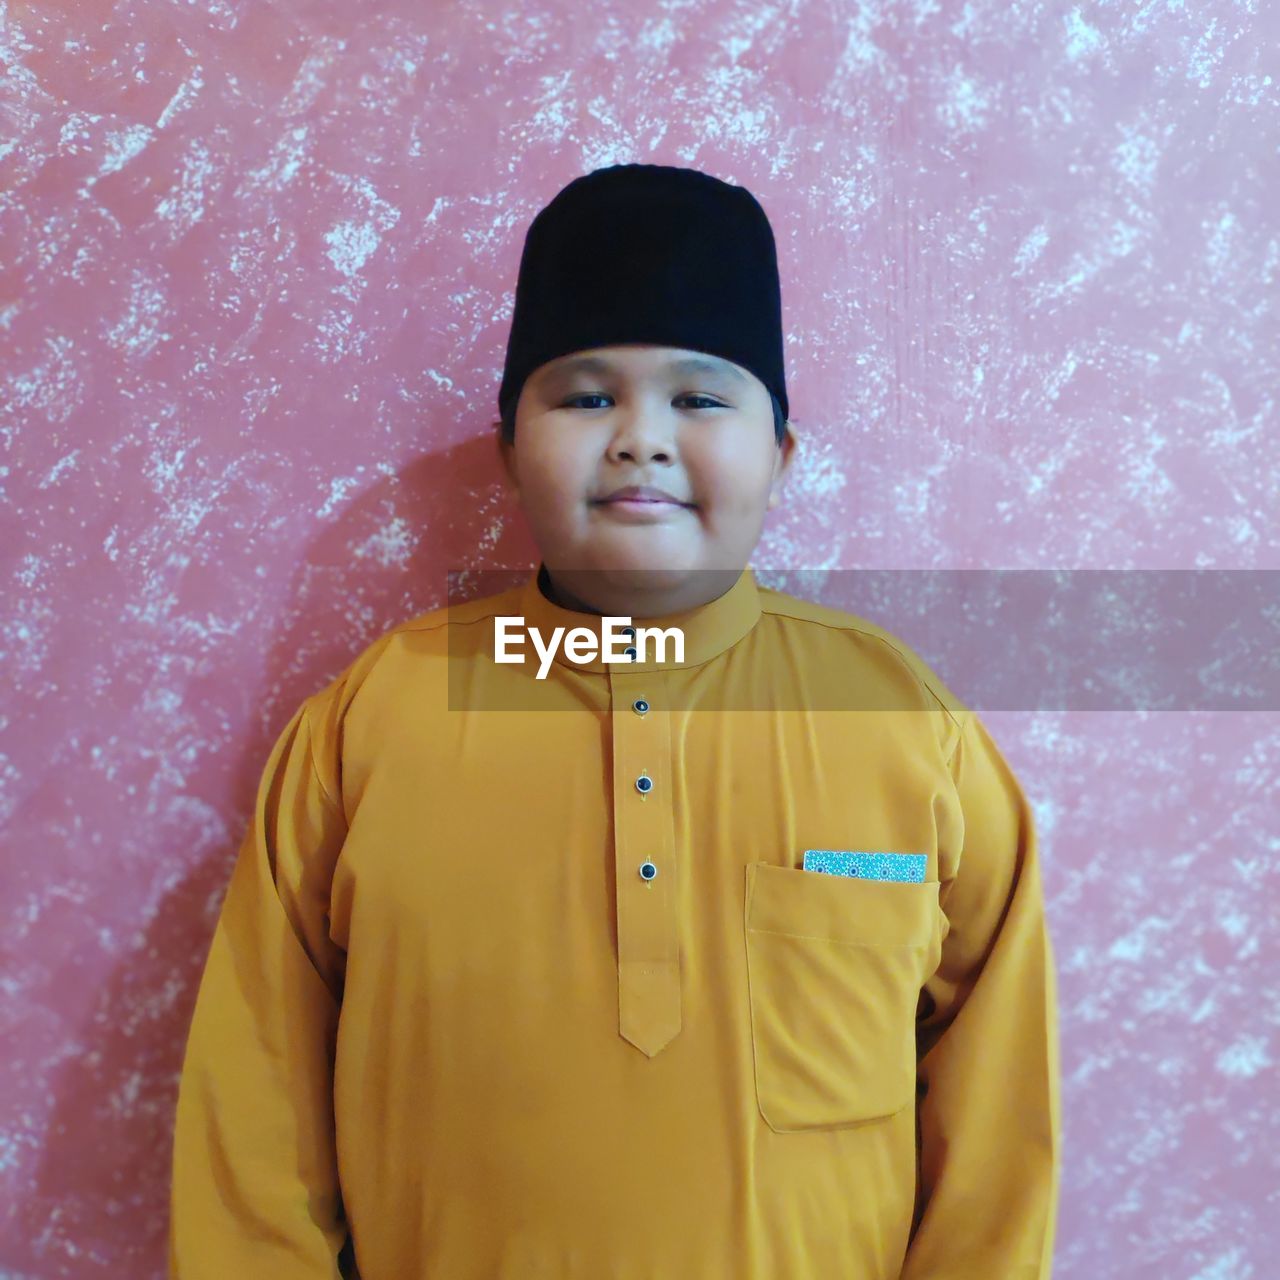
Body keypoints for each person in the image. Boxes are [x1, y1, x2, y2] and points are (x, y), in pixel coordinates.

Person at [168, 163, 1061, 1279]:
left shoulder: (898, 723)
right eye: (586, 396)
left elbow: (995, 1132)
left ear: (778, 455)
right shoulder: (376, 718)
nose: (639, 437)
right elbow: (254, 1111)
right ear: (506, 449)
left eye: (698, 397)